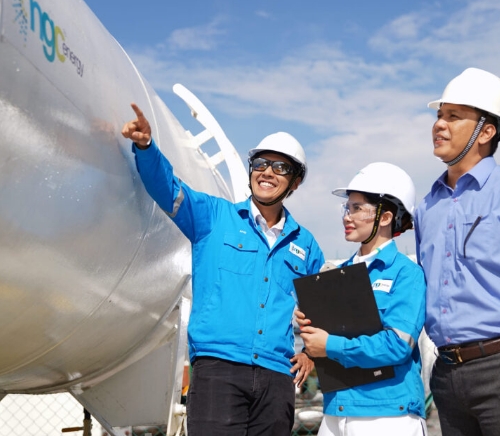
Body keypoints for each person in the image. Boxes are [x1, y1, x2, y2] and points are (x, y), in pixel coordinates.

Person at [122, 103, 324, 436]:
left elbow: (322, 309)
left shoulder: (307, 245)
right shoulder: (213, 217)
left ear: (296, 182)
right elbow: (168, 189)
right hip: (218, 371)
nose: (267, 172)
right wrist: (146, 147)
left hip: (277, 378)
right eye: (260, 164)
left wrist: (311, 355)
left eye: (280, 167)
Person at [296, 162, 427, 436]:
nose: (347, 216)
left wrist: (329, 345)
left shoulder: (407, 273)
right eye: (347, 208)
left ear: (385, 217)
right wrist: (310, 325)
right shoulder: (336, 275)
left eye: (357, 208)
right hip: (336, 411)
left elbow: (397, 346)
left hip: (388, 415)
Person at [414, 67, 500, 436]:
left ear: (486, 132)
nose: (439, 125)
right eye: (439, 115)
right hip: (446, 375)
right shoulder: (425, 208)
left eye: (453, 116)